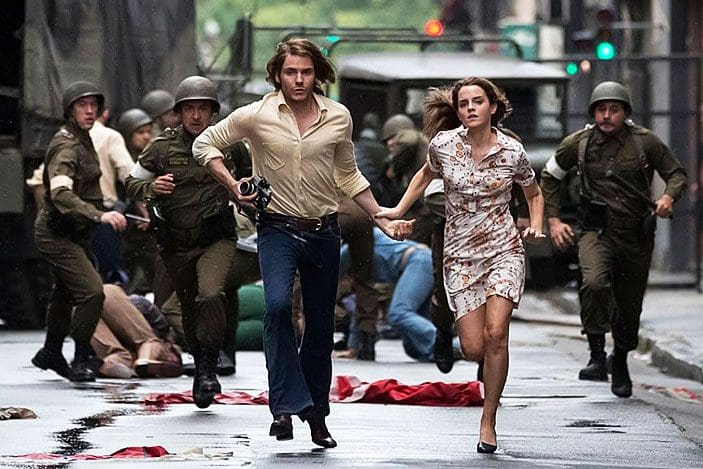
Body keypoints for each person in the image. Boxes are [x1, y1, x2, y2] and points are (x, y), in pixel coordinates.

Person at [192, 38, 411, 448]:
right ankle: (283, 407)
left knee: (319, 325)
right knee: (277, 307)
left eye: (306, 72)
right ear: (277, 74)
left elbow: (348, 175)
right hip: (276, 229)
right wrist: (234, 185)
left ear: (317, 75)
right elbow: (204, 144)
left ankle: (316, 415)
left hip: (323, 231)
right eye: (291, 72)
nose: (298, 80)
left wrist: (381, 216)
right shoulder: (257, 114)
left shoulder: (338, 117)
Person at [377, 77, 545, 453]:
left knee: (496, 333)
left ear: (492, 107)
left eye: (477, 101)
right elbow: (424, 175)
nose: (470, 108)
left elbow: (533, 192)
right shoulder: (443, 145)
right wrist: (398, 210)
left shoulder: (511, 151)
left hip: (503, 250)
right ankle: (482, 364)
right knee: (473, 347)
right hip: (461, 255)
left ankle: (488, 420)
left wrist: (535, 224)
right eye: (464, 103)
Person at [540, 81, 688, 398]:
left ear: (625, 112)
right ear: (593, 112)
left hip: (635, 234)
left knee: (629, 302)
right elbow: (550, 176)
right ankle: (596, 354)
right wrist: (554, 220)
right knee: (594, 282)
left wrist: (667, 198)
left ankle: (619, 358)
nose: (607, 115)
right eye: (601, 109)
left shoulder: (645, 142)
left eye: (614, 109)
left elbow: (677, 174)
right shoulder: (577, 144)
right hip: (595, 230)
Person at [125, 76, 238, 409]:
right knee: (188, 309)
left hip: (216, 237)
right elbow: (132, 182)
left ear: (213, 112)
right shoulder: (161, 147)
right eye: (189, 109)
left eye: (203, 109)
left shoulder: (229, 144)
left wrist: (245, 191)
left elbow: (254, 176)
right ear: (179, 112)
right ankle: (201, 368)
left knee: (210, 294)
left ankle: (210, 365)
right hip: (176, 242)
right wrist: (151, 188)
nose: (196, 116)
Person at [31, 81, 128, 382]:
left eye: (93, 105)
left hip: (74, 232)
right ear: (69, 111)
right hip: (56, 233)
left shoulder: (82, 138)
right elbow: (61, 194)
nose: (89, 111)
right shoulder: (67, 146)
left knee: (64, 292)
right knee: (92, 292)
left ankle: (51, 351)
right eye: (81, 105)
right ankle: (81, 357)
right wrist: (100, 215)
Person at [339, 227, 438, 362]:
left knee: (399, 313)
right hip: (420, 262)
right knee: (415, 349)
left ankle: (448, 345)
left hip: (417, 262)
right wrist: (353, 347)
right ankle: (442, 351)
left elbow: (329, 274)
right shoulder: (360, 250)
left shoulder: (350, 249)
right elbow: (363, 304)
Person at [90, 284, 183, 379]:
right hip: (107, 297)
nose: (171, 361)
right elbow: (139, 302)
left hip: (86, 308)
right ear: (168, 344)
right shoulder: (163, 330)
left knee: (119, 355)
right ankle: (145, 360)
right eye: (174, 359)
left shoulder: (131, 353)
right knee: (148, 341)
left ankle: (109, 364)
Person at [116, 108, 157, 295]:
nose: (146, 136)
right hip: (125, 229)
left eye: (148, 131)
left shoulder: (152, 157)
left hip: (147, 230)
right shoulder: (120, 160)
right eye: (140, 132)